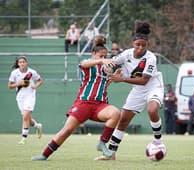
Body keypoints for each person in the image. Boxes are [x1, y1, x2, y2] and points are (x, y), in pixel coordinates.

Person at [31, 35, 121, 161]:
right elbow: (84, 63)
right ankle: (44, 155)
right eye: (101, 56)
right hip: (84, 103)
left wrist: (114, 77)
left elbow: (103, 84)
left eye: (105, 56)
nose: (104, 58)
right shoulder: (87, 64)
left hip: (100, 105)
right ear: (93, 54)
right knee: (66, 131)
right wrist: (100, 61)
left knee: (116, 113)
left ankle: (102, 143)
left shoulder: (106, 69)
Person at [95, 21, 164, 160]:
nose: (140, 48)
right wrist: (108, 69)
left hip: (153, 86)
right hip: (138, 90)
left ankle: (158, 141)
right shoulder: (126, 54)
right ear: (133, 44)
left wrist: (121, 79)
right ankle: (111, 154)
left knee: (152, 110)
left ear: (147, 45)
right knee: (123, 120)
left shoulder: (150, 58)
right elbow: (112, 64)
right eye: (137, 45)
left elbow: (144, 80)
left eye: (143, 45)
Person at [8, 56, 43, 144]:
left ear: (26, 62)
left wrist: (35, 86)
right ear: (18, 64)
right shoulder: (14, 73)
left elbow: (40, 80)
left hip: (30, 96)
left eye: (23, 62)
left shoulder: (31, 72)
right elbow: (10, 86)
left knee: (25, 116)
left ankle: (23, 138)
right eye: (20, 62)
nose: (22, 63)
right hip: (20, 97)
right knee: (27, 118)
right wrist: (19, 83)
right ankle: (37, 126)